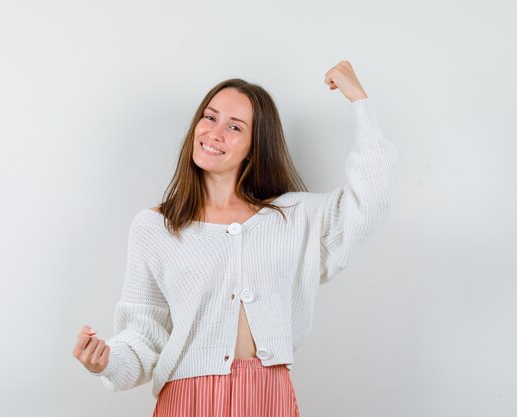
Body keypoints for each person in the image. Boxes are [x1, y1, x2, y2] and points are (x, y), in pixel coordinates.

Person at [72, 60, 398, 416]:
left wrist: (359, 100)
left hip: (268, 396)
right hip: (188, 400)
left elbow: (372, 200)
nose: (214, 133)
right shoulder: (155, 227)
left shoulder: (294, 217)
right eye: (209, 118)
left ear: (255, 146)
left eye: (234, 127)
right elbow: (143, 335)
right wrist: (106, 361)